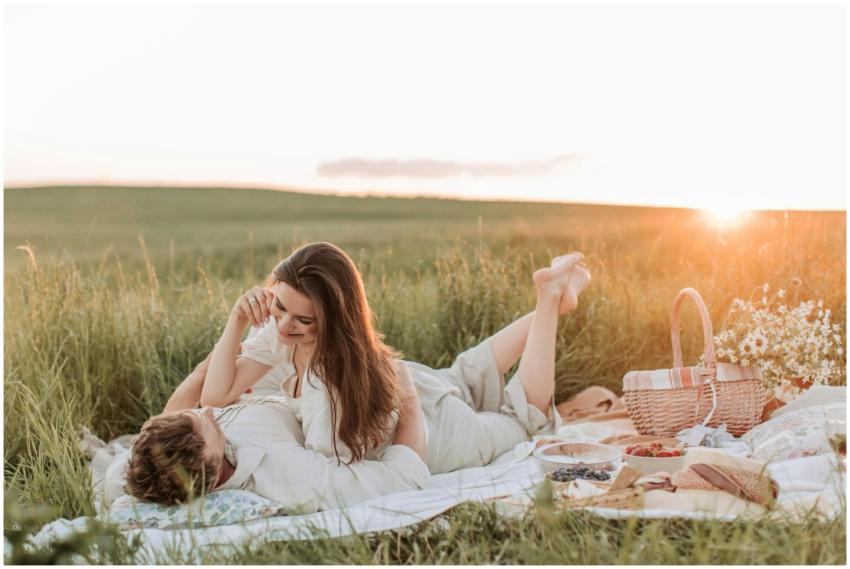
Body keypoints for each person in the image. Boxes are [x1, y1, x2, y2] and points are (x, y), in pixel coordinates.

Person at [199, 242, 591, 474]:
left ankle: (549, 298)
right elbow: (215, 396)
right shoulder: (286, 334)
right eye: (280, 307)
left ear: (336, 320)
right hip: (416, 383)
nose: (284, 326)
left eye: (305, 320)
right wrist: (237, 319)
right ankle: (557, 302)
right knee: (467, 371)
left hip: (440, 434)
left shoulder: (327, 386)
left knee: (527, 419)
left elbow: (330, 471)